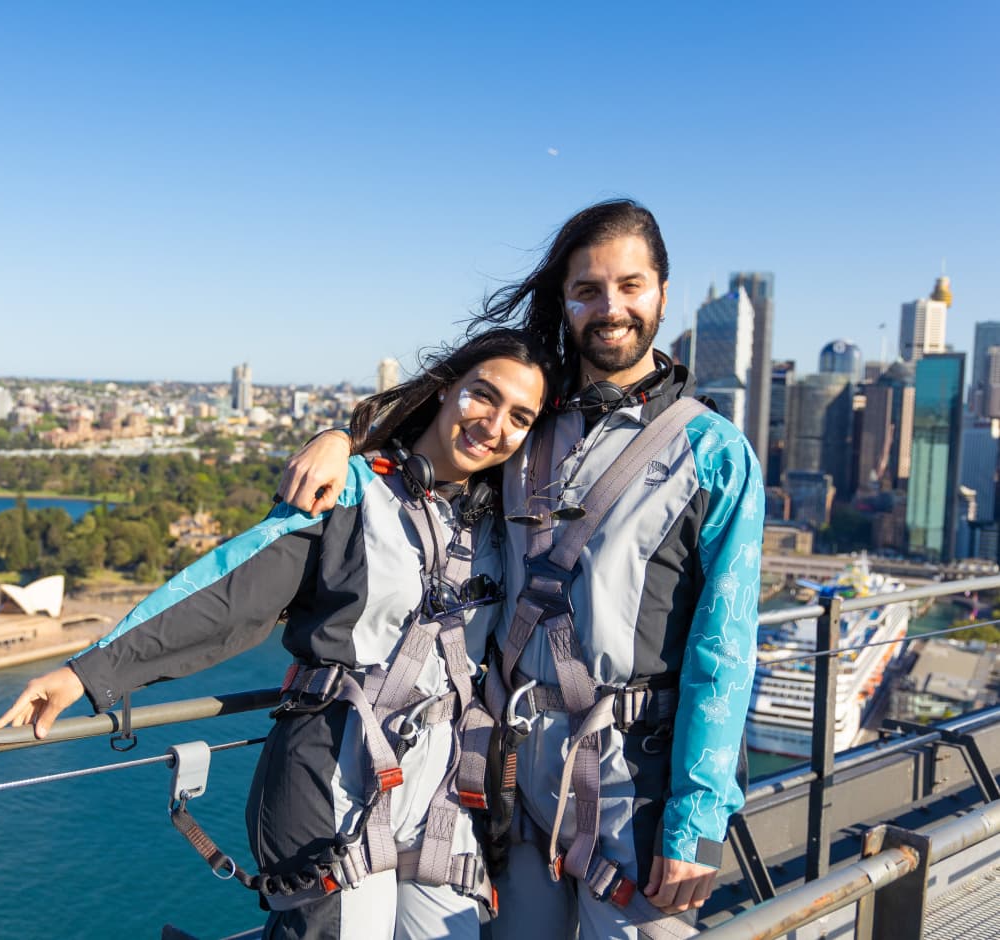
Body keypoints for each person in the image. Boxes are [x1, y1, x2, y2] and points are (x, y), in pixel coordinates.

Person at [277, 199, 763, 939]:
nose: (611, 309)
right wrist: (340, 439)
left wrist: (697, 819)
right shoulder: (526, 426)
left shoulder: (715, 454)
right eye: (588, 290)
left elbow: (724, 651)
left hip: (636, 790)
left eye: (631, 287)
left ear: (663, 292)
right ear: (564, 302)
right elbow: (424, 457)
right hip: (508, 784)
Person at [0, 328, 555, 940]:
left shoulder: (504, 521)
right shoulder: (350, 491)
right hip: (333, 774)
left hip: (440, 785)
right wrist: (88, 672)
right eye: (483, 396)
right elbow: (230, 596)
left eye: (519, 417)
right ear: (446, 390)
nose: (494, 424)